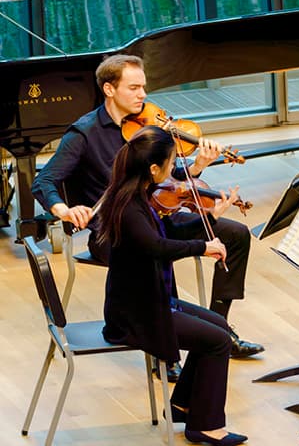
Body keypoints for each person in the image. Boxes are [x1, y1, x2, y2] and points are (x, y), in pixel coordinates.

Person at [31, 54, 262, 373]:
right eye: (134, 87)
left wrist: (196, 166)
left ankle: (216, 327)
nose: (143, 95)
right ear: (109, 89)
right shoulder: (84, 134)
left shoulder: (149, 125)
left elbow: (165, 181)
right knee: (154, 252)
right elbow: (44, 180)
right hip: (113, 232)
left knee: (234, 234)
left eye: (144, 87)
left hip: (155, 215)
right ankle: (165, 353)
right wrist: (64, 210)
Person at [98, 125, 247, 446]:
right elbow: (156, 247)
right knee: (219, 341)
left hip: (151, 301)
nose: (173, 171)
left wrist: (212, 219)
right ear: (153, 169)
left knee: (219, 326)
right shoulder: (129, 208)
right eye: (170, 163)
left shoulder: (137, 196)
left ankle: (183, 405)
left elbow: (167, 233)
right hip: (135, 316)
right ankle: (206, 426)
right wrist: (203, 247)